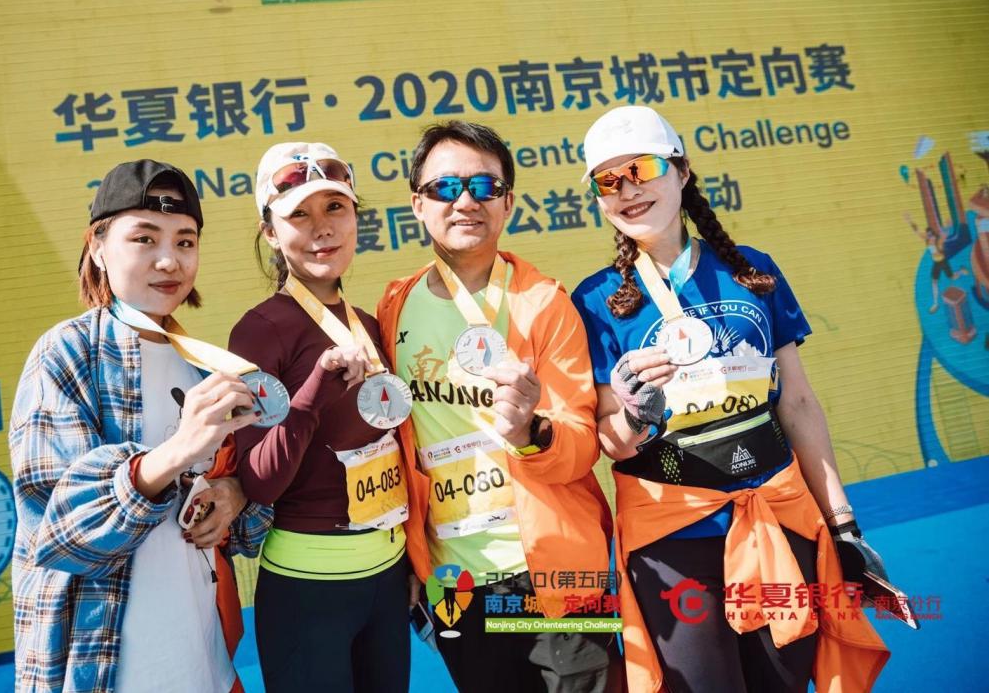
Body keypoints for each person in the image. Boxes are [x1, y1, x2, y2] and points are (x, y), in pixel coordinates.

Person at [569, 106, 891, 692]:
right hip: (673, 537)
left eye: (642, 168)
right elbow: (612, 443)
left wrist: (843, 525)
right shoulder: (594, 300)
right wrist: (636, 413)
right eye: (608, 180)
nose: (628, 190)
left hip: (778, 516)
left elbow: (797, 403)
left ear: (682, 171)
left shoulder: (752, 270)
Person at [376, 121, 622, 693]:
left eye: (485, 187)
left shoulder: (544, 303)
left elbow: (582, 445)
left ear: (508, 203)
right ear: (417, 204)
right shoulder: (395, 305)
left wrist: (532, 433)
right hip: (455, 579)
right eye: (445, 187)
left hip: (558, 569)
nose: (466, 201)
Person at [9, 160, 270, 693]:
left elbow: (243, 533)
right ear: (98, 247)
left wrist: (235, 494)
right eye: (144, 239)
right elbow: (62, 533)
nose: (169, 260)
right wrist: (179, 449)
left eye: (185, 241)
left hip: (206, 663)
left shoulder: (204, 366)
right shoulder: (67, 353)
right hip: (107, 670)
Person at [228, 142, 411, 693]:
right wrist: (311, 394)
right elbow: (259, 481)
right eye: (299, 215)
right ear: (270, 232)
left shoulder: (367, 324)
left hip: (388, 573)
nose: (322, 228)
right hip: (308, 587)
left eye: (335, 208)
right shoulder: (261, 330)